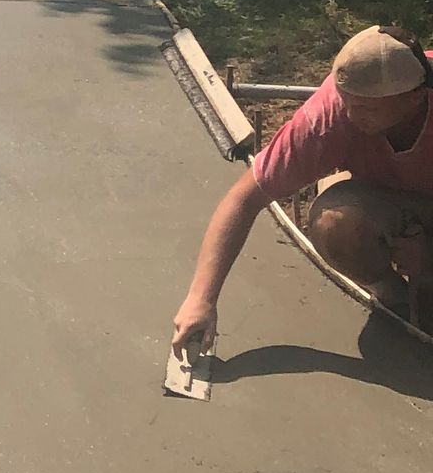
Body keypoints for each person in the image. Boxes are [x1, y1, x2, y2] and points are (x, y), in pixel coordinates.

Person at [172, 24, 433, 351]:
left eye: (367, 108)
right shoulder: (329, 116)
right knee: (336, 225)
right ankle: (394, 298)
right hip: (388, 199)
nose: (351, 115)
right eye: (347, 101)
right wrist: (201, 299)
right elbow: (244, 198)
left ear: (415, 98)